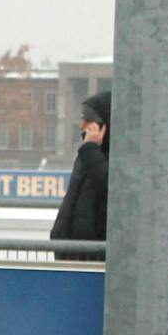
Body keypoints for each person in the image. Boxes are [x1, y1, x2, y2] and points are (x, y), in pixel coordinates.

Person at [49, 90, 110, 259]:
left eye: (88, 120)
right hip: (72, 252)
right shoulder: (87, 152)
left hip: (94, 255)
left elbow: (111, 187)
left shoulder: (98, 154)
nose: (82, 126)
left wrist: (90, 150)